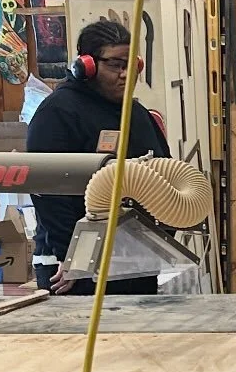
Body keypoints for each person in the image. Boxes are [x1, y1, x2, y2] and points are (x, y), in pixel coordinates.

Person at [27, 20, 171, 296]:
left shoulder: (136, 114)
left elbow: (164, 173)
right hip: (72, 266)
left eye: (132, 65)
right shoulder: (58, 113)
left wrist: (161, 237)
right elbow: (48, 191)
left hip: (132, 258)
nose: (126, 74)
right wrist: (72, 256)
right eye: (115, 65)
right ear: (87, 66)